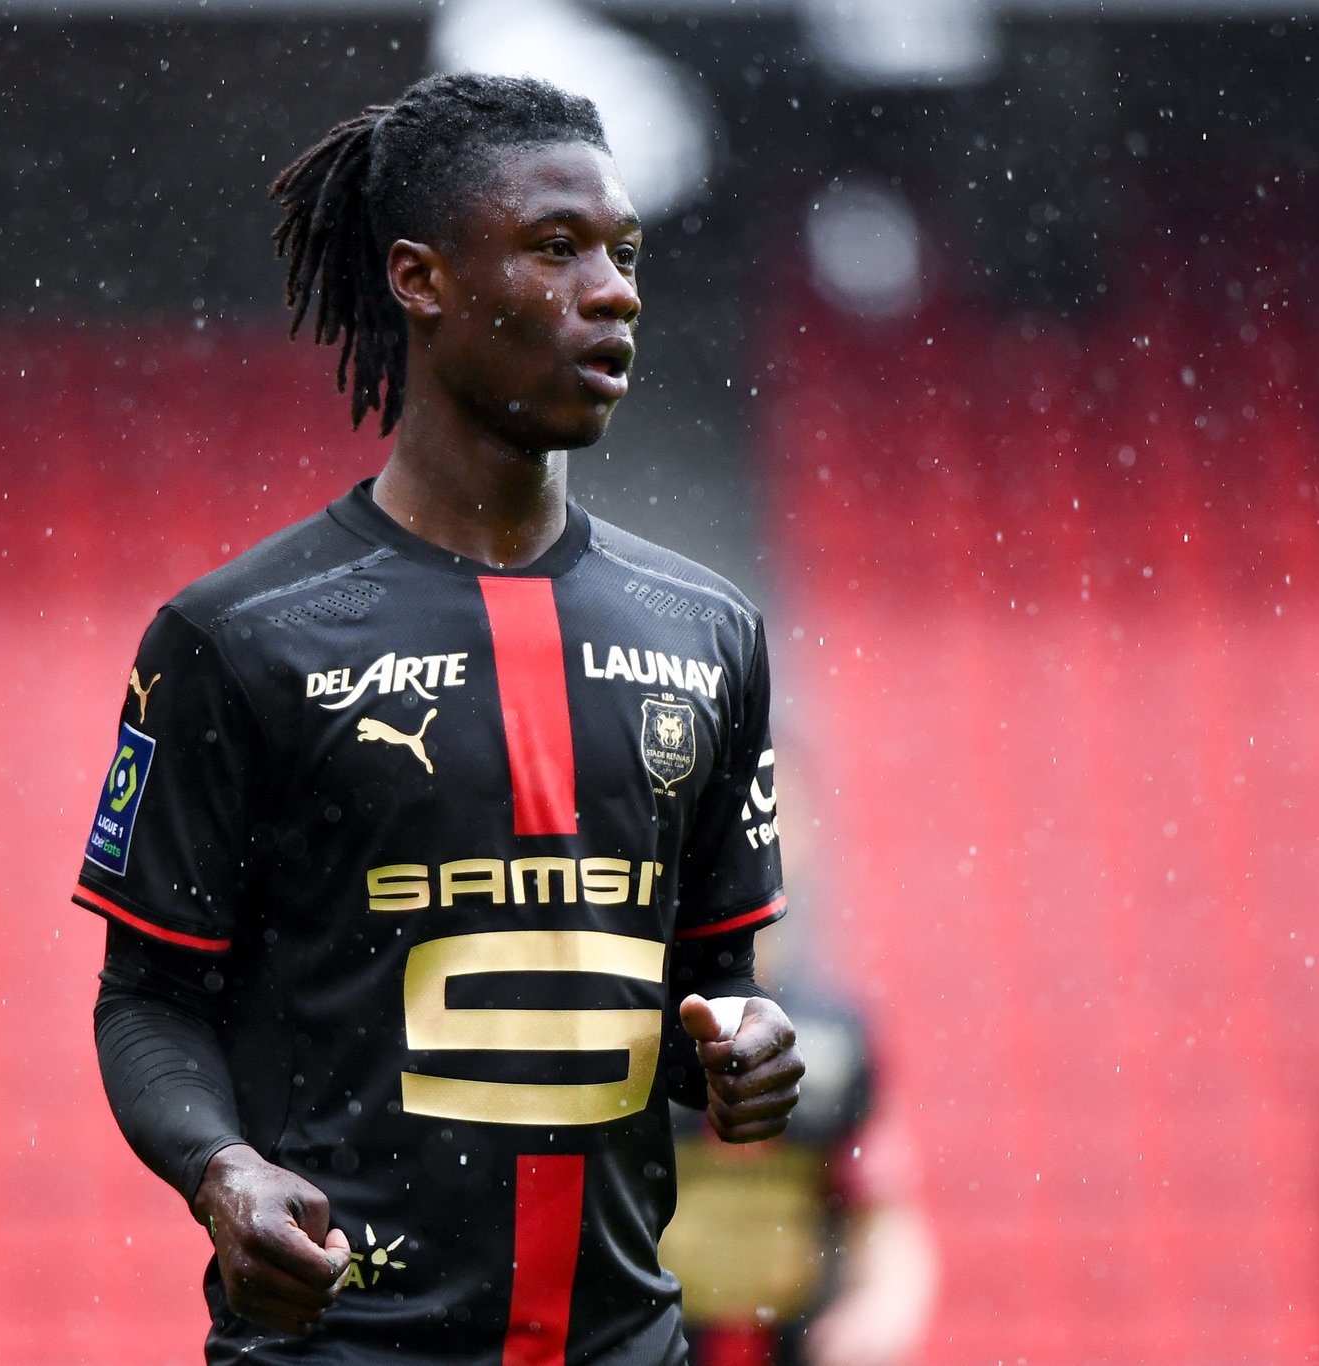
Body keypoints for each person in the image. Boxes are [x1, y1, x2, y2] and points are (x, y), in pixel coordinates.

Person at [71, 72, 804, 1365]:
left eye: (626, 253)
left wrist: (738, 1044)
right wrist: (222, 1169)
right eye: (557, 247)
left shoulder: (709, 633)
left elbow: (713, 982)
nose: (615, 291)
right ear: (419, 279)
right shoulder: (239, 637)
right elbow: (147, 999)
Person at [662, 989, 937, 1366]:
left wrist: (879, 1305)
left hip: (798, 1338)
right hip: (661, 1333)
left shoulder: (833, 1034)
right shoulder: (641, 1024)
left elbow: (882, 1205)